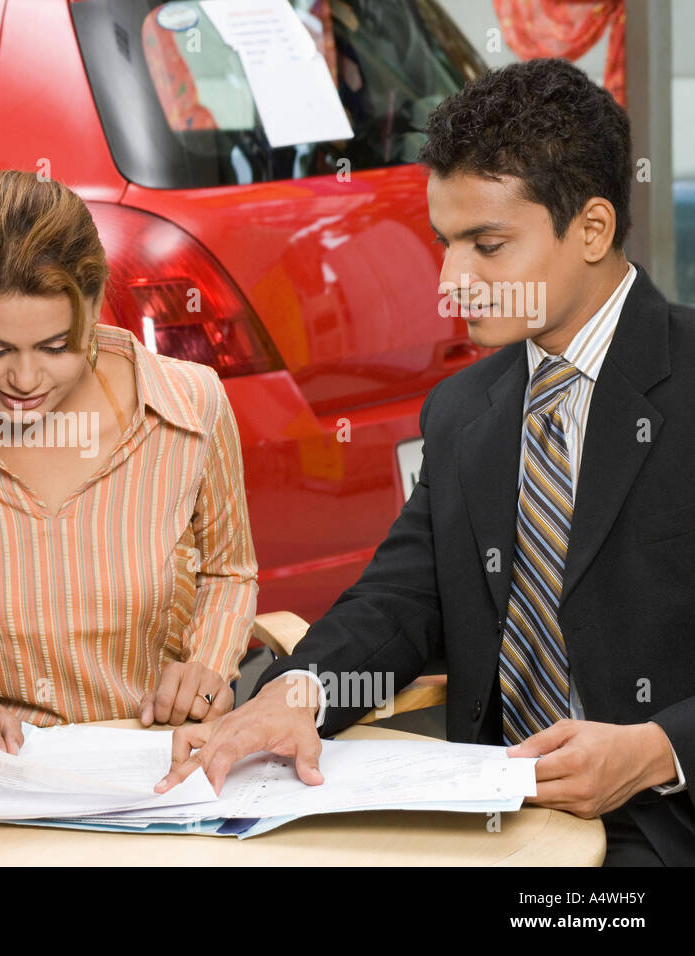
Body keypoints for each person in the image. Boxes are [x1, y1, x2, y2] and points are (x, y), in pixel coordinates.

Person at [157, 58, 694, 866]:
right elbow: (404, 598)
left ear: (591, 228)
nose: (452, 281)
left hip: (662, 822)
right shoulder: (463, 412)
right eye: (445, 245)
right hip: (492, 813)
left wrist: (656, 749)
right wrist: (296, 692)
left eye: (487, 246)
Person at [0, 170, 258, 755]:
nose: (23, 381)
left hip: (164, 761)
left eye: (54, 347)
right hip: (5, 778)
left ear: (94, 304)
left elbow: (229, 572)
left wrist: (207, 666)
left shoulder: (191, 408)